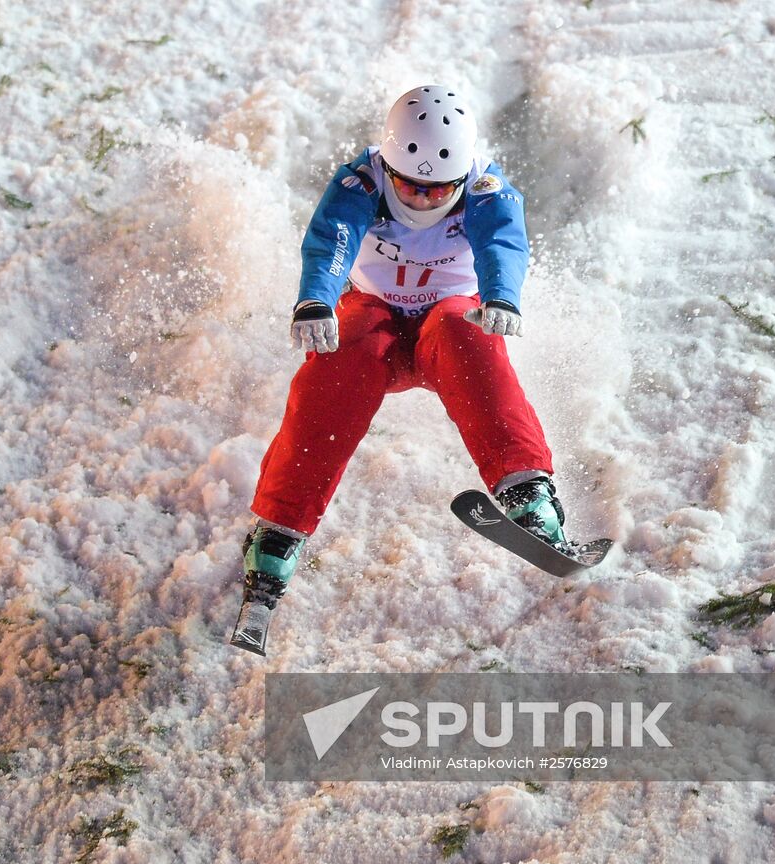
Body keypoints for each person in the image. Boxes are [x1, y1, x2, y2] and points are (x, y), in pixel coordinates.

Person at [230, 85, 569, 656]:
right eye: (409, 185)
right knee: (342, 358)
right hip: (376, 316)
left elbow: (502, 244)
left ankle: (527, 491)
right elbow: (333, 240)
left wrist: (502, 298)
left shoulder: (485, 187)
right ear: (389, 166)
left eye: (437, 189)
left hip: (448, 320)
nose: (421, 198)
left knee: (467, 333)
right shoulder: (360, 183)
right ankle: (278, 534)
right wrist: (315, 300)